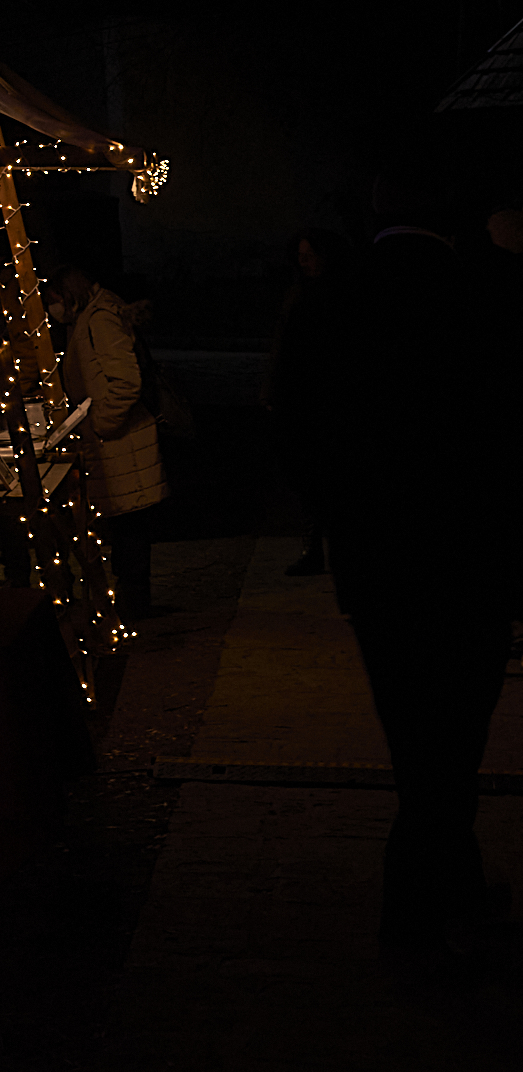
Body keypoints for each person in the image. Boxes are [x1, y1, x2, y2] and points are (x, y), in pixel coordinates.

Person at [298, 176, 522, 969]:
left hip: (379, 562)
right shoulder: (485, 293)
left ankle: (444, 897)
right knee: (451, 742)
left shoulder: (334, 296)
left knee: (418, 739)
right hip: (471, 559)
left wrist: (342, 516)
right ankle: (419, 914)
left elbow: (299, 425)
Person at [48, 258, 169, 615]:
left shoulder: (99, 319)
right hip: (116, 443)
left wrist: (101, 423)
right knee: (127, 527)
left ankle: (134, 605)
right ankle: (132, 602)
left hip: (121, 442)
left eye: (55, 300)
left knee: (130, 527)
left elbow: (125, 382)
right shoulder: (90, 317)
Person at [269, 227, 351, 578]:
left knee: (327, 477)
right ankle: (315, 547)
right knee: (306, 476)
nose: (305, 263)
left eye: (311, 256)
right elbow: (285, 348)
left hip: (325, 399)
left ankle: (328, 548)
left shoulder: (338, 296)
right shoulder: (299, 294)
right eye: (301, 257)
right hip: (301, 399)